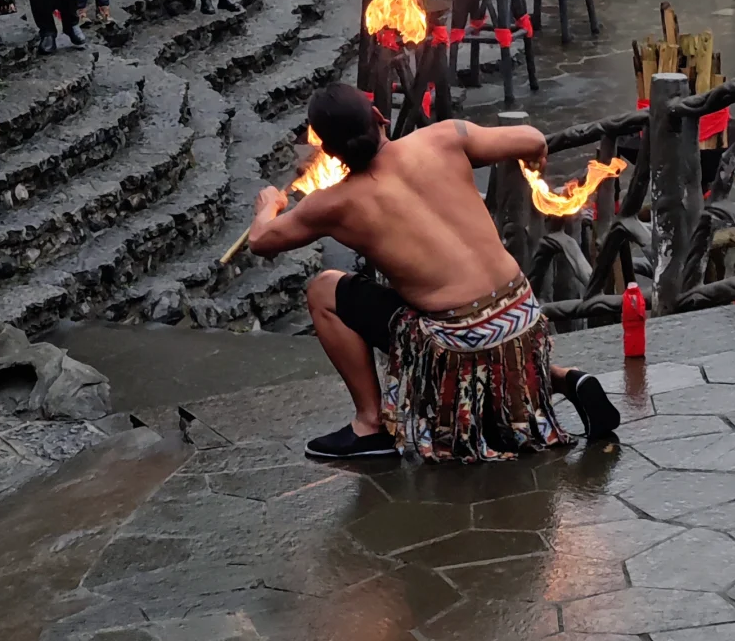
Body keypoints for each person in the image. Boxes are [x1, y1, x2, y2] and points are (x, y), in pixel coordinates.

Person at [249, 84, 621, 463]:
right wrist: (536, 160)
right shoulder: (443, 137)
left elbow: (261, 240)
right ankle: (561, 378)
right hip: (524, 318)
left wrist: (269, 205)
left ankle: (370, 425)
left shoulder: (331, 204)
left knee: (323, 290)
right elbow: (532, 139)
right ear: (378, 116)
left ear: (328, 151)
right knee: (451, 307)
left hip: (462, 345)